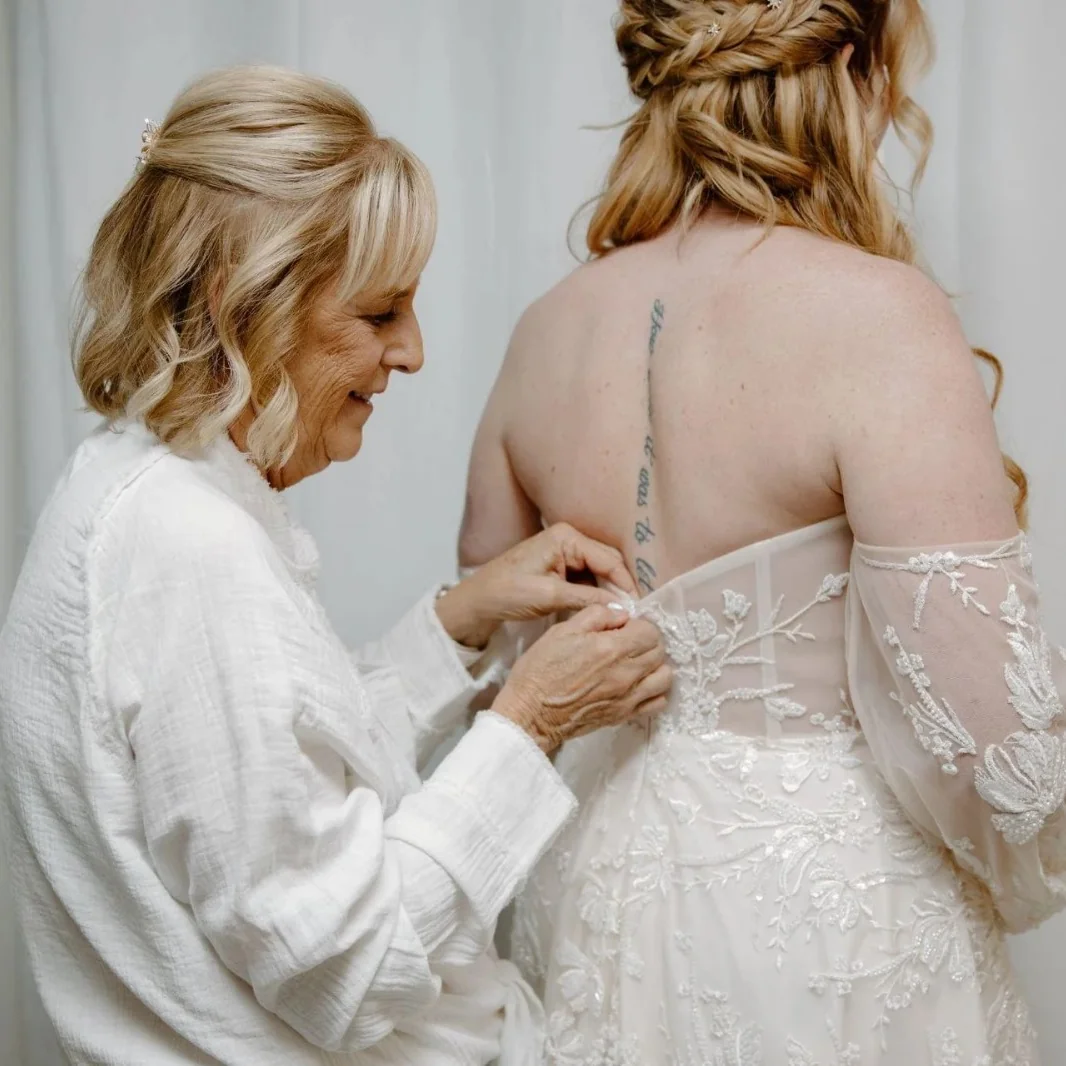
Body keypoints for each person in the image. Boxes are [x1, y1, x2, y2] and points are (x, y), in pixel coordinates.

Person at [0, 67, 673, 1066]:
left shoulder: (136, 482)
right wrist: (531, 723)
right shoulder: (189, 550)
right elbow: (340, 964)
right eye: (379, 312)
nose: (412, 352)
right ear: (245, 303)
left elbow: (265, 787)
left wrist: (456, 625)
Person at [460, 1, 1065, 1062]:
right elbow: (999, 755)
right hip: (827, 922)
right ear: (850, 72)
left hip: (591, 899)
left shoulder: (542, 330)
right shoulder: (877, 316)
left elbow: (503, 661)